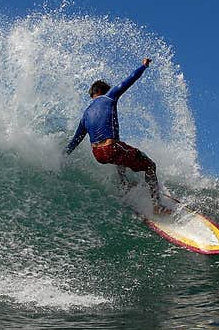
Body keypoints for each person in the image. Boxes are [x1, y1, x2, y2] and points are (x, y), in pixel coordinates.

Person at [65, 58, 169, 214]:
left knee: (119, 159)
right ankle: (157, 206)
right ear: (101, 92)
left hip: (98, 155)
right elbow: (129, 80)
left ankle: (125, 186)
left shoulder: (85, 115)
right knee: (150, 166)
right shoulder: (109, 97)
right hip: (111, 148)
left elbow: (75, 141)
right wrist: (144, 66)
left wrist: (61, 157)